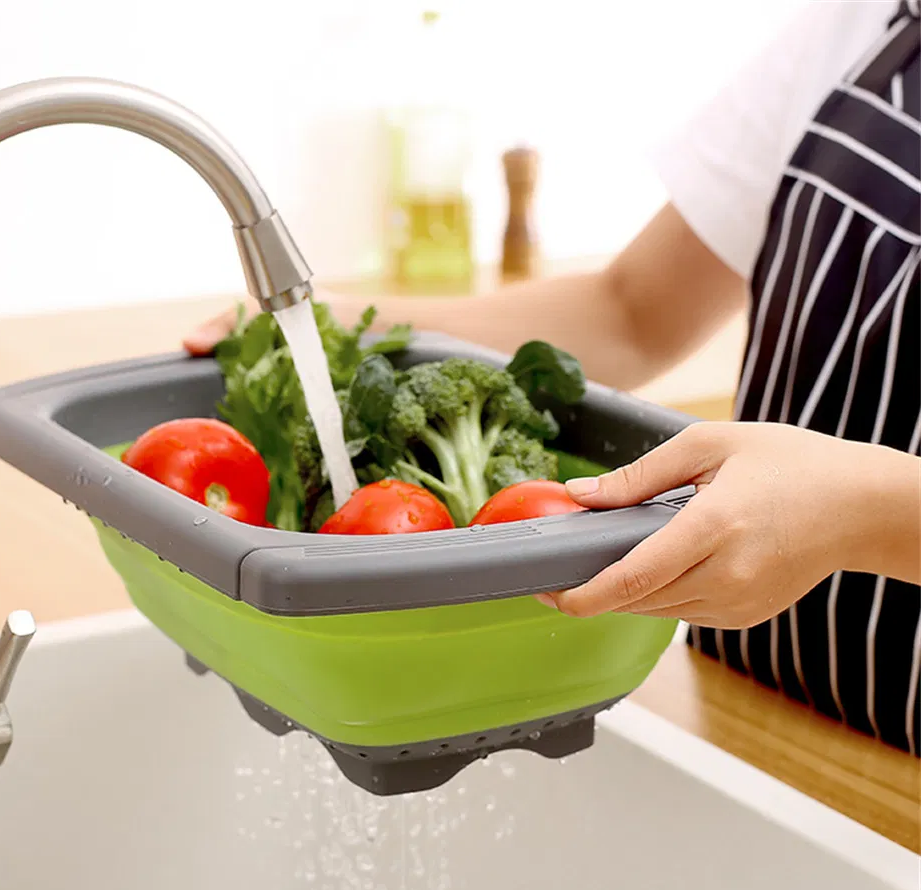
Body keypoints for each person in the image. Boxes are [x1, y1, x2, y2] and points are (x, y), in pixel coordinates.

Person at [185, 1, 920, 756]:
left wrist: (858, 510)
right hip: (750, 709)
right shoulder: (864, 23)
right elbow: (630, 313)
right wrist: (340, 322)